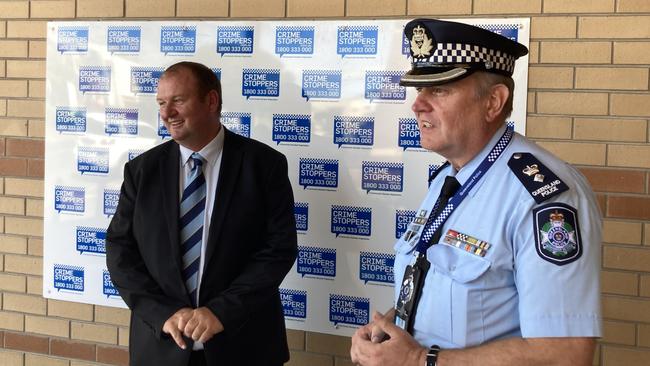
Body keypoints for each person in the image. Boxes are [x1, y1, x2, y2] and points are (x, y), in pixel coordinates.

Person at [350, 19, 601, 366]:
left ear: (493, 102)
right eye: (420, 90)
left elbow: (565, 354)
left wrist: (419, 359)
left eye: (439, 90)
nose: (418, 105)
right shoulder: (449, 177)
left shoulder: (544, 197)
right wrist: (390, 331)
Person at [106, 61, 298, 366]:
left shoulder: (264, 166)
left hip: (244, 348)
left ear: (211, 101)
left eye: (178, 101)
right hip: (161, 349)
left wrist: (221, 311)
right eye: (161, 103)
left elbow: (278, 251)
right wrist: (163, 313)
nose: (167, 113)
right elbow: (120, 252)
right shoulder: (141, 172)